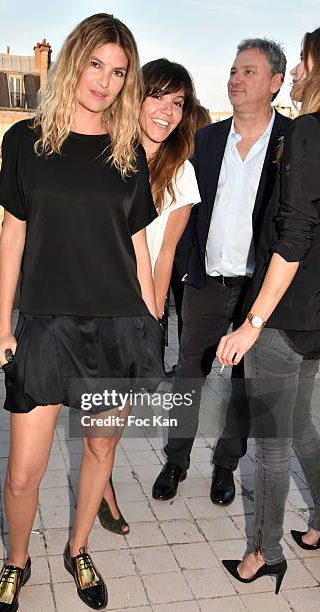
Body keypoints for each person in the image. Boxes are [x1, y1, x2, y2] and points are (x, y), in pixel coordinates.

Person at [0, 13, 164, 611]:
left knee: (99, 451)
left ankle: (79, 547)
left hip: (116, 325)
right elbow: (13, 235)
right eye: (96, 65)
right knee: (21, 474)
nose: (106, 82)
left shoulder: (127, 153)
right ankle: (16, 560)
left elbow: (137, 244)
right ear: (73, 62)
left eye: (119, 72)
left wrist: (151, 328)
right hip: (44, 324)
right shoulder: (26, 142)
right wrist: (4, 324)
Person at [152, 38, 291, 505]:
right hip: (207, 284)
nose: (236, 78)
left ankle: (226, 466)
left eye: (249, 72)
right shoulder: (205, 140)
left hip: (257, 291)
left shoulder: (293, 144)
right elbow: (185, 211)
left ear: (275, 83)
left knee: (244, 385)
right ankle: (176, 461)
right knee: (189, 375)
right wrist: (190, 270)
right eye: (234, 70)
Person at [217, 26, 320, 593]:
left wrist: (253, 322)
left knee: (272, 443)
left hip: (285, 314)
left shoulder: (305, 129)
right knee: (301, 427)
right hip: (316, 319)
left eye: (304, 62)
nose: (299, 73)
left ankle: (264, 552)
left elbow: (296, 233)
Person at [97, 58, 200, 536]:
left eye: (177, 102)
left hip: (136, 312)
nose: (167, 110)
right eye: (157, 96)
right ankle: (104, 492)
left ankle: (101, 488)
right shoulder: (103, 155)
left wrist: (151, 323)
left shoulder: (181, 173)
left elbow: (164, 258)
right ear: (136, 96)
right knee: (96, 416)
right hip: (88, 302)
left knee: (112, 417)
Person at [169, 102, 212, 351]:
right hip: (184, 258)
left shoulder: (188, 168)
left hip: (184, 259)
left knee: (188, 318)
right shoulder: (184, 166)